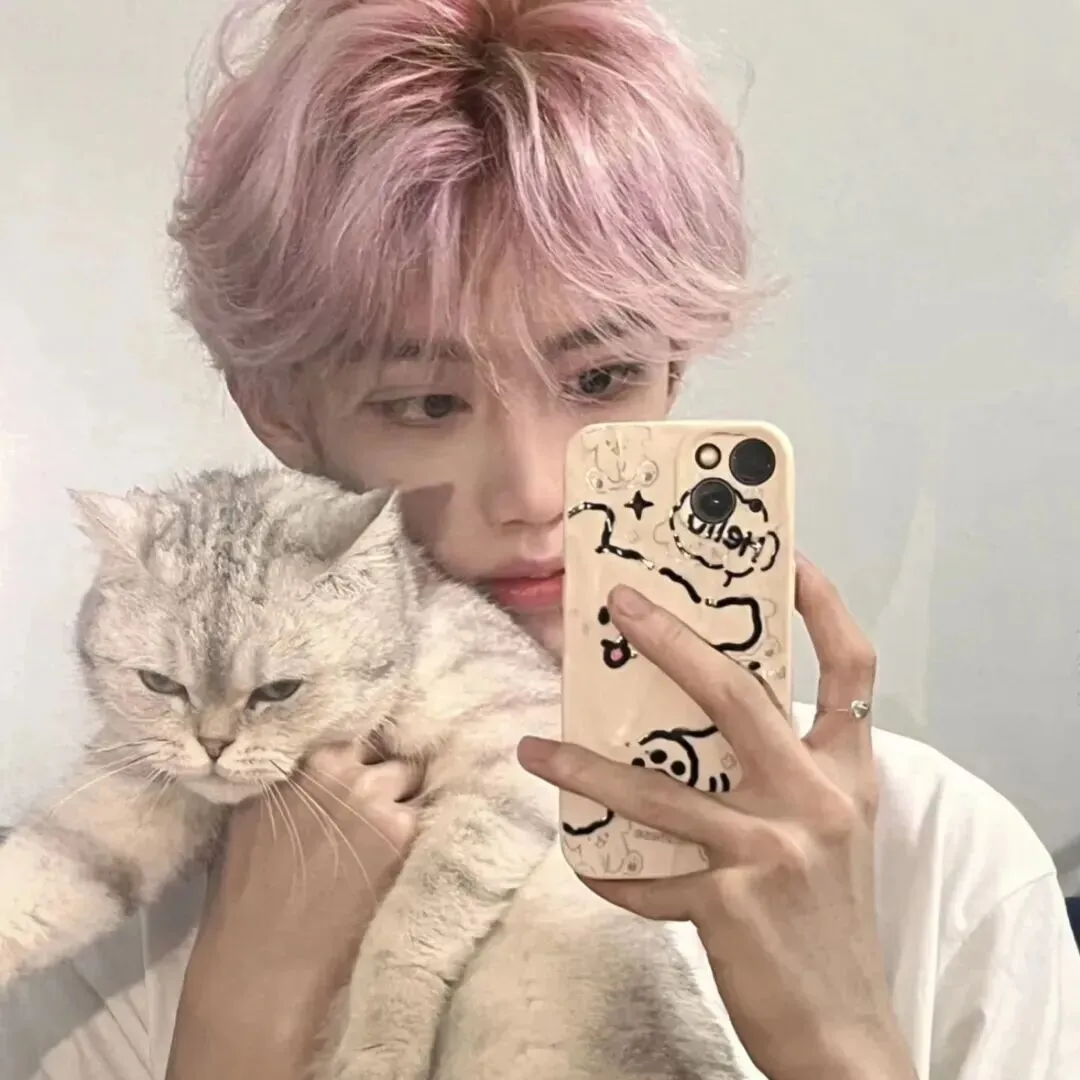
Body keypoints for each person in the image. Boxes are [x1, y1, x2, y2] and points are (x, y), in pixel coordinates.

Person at [2, 1, 1078, 1078]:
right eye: (426, 402)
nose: (533, 491)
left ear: (674, 369)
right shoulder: (118, 909)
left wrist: (836, 1033)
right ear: (279, 411)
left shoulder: (944, 859)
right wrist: (244, 1010)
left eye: (601, 379)